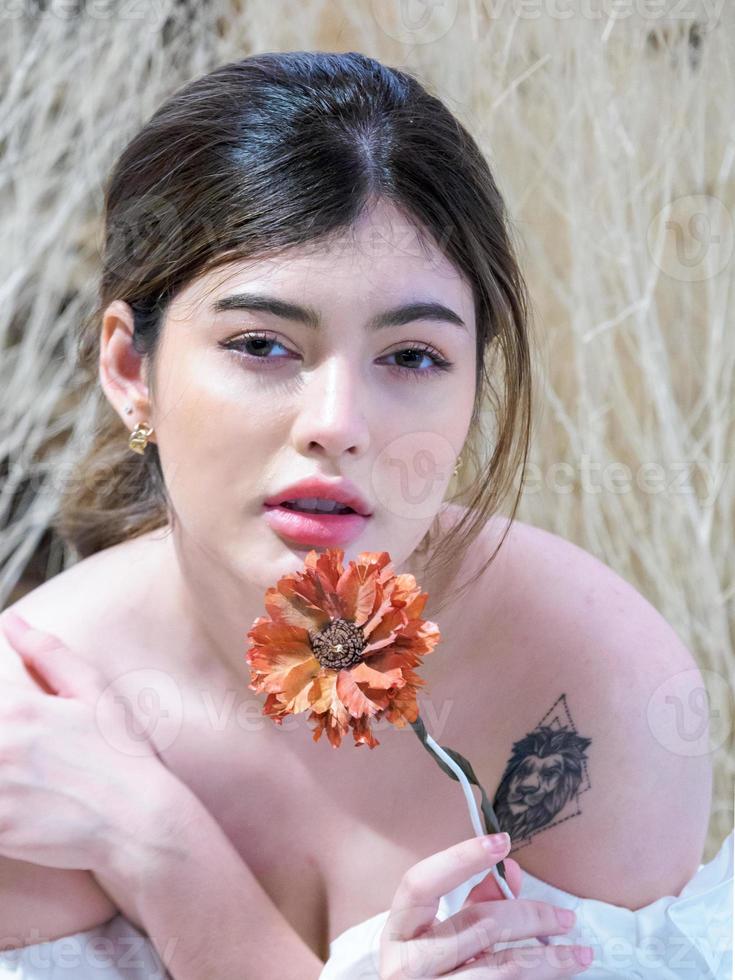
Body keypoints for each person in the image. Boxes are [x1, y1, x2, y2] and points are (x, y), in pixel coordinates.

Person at [0, 50, 731, 980]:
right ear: (130, 371)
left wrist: (160, 851)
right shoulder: (31, 732)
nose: (337, 426)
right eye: (261, 344)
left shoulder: (589, 686)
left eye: (412, 357)